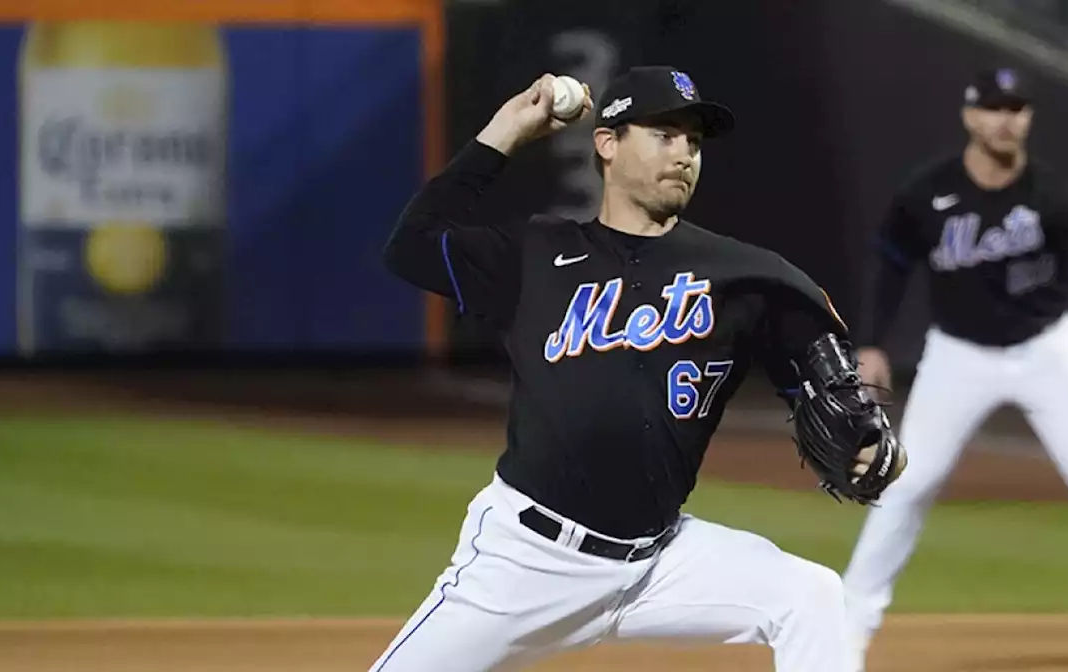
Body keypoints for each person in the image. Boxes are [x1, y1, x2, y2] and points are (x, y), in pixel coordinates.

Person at [371, 65, 906, 671]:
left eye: (694, 141)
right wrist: (507, 130)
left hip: (660, 563)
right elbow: (411, 245)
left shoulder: (747, 277)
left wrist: (870, 446)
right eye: (663, 133)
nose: (683, 154)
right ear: (607, 143)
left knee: (810, 595)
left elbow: (827, 386)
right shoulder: (535, 254)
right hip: (526, 564)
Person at [840, 67, 1068, 672]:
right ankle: (847, 630)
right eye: (994, 108)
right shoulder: (927, 194)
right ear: (970, 116)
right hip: (958, 354)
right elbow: (889, 268)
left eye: (1017, 108)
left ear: (1028, 118)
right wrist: (872, 343)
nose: (1006, 119)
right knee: (906, 484)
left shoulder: (1052, 197)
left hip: (1045, 350)